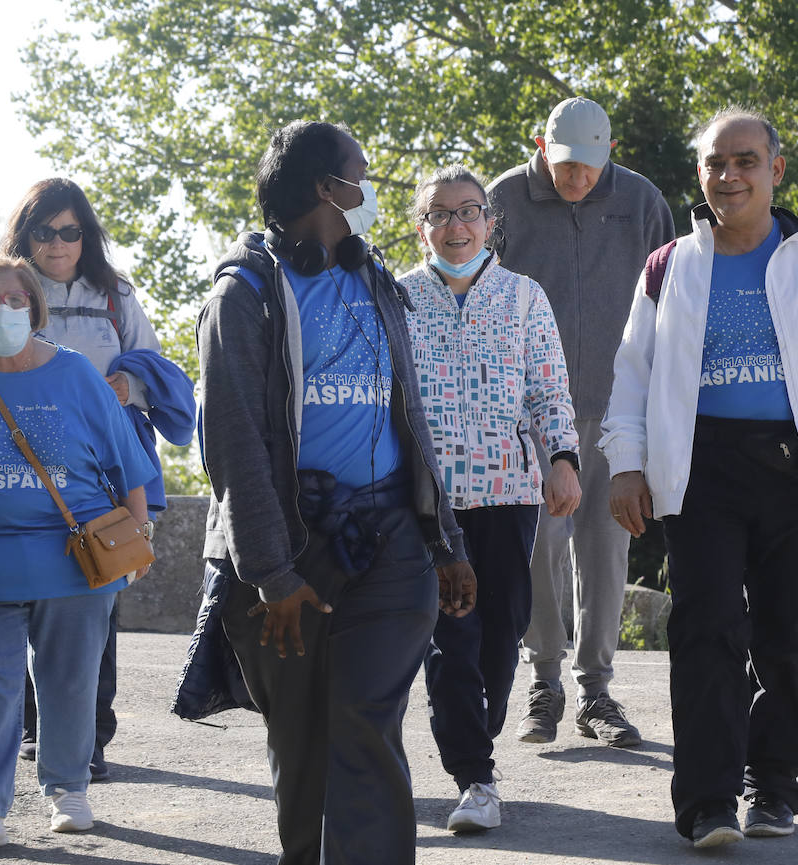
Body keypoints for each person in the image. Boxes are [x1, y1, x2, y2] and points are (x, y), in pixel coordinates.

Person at [600, 106, 798, 847]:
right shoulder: (670, 265)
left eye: (744, 162)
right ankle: (705, 801)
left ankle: (773, 785)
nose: (728, 176)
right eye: (714, 164)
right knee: (703, 625)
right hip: (700, 467)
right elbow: (632, 375)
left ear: (776, 170)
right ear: (699, 173)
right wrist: (626, 463)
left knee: (783, 632)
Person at [196, 121, 478, 865]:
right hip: (286, 552)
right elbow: (233, 445)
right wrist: (273, 573)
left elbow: (410, 415)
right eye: (361, 172)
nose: (370, 188)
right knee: (303, 751)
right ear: (328, 188)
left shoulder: (372, 276)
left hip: (389, 539)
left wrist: (444, 538)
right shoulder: (245, 293)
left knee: (364, 719)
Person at [0, 256, 157, 857]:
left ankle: (67, 790)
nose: (3, 310)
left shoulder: (73, 375)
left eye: (15, 299)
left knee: (69, 681)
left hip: (74, 561)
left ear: (34, 309)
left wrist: (139, 535)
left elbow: (127, 460)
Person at [0, 178, 195, 782]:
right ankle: (36, 733)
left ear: (86, 234)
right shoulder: (12, 293)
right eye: (44, 231)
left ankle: (90, 737)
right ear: (27, 235)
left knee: (97, 604)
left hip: (96, 474)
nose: (58, 242)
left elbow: (155, 368)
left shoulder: (116, 294)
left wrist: (128, 387)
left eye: (70, 230)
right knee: (21, 603)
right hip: (22, 476)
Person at [487, 96, 675, 747]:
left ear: (611, 155)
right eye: (565, 166)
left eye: (589, 168)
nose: (576, 179)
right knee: (539, 550)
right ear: (541, 146)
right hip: (530, 415)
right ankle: (545, 681)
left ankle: (598, 690)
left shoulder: (644, 201)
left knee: (607, 547)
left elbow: (670, 305)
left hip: (616, 410)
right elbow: (478, 293)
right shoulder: (503, 199)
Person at [398, 164, 582, 832]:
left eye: (469, 211)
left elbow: (549, 390)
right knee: (451, 639)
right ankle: (475, 775)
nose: (456, 226)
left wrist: (562, 458)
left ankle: (481, 726)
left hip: (509, 491)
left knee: (502, 632)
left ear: (490, 221)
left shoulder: (525, 297)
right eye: (440, 214)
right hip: (429, 502)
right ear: (422, 227)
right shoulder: (396, 298)